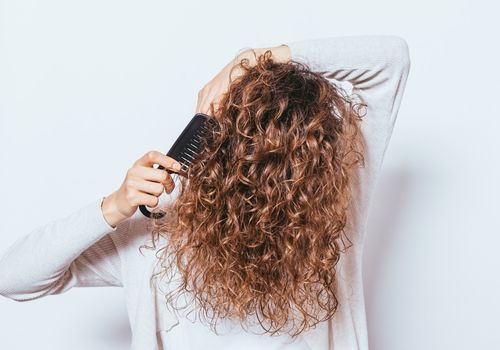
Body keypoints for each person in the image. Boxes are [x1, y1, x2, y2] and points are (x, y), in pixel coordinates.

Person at [0, 35, 411, 350]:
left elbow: (391, 58)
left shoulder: (331, 218)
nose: (274, 189)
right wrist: (114, 206)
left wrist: (252, 59)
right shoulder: (155, 236)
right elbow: (13, 278)